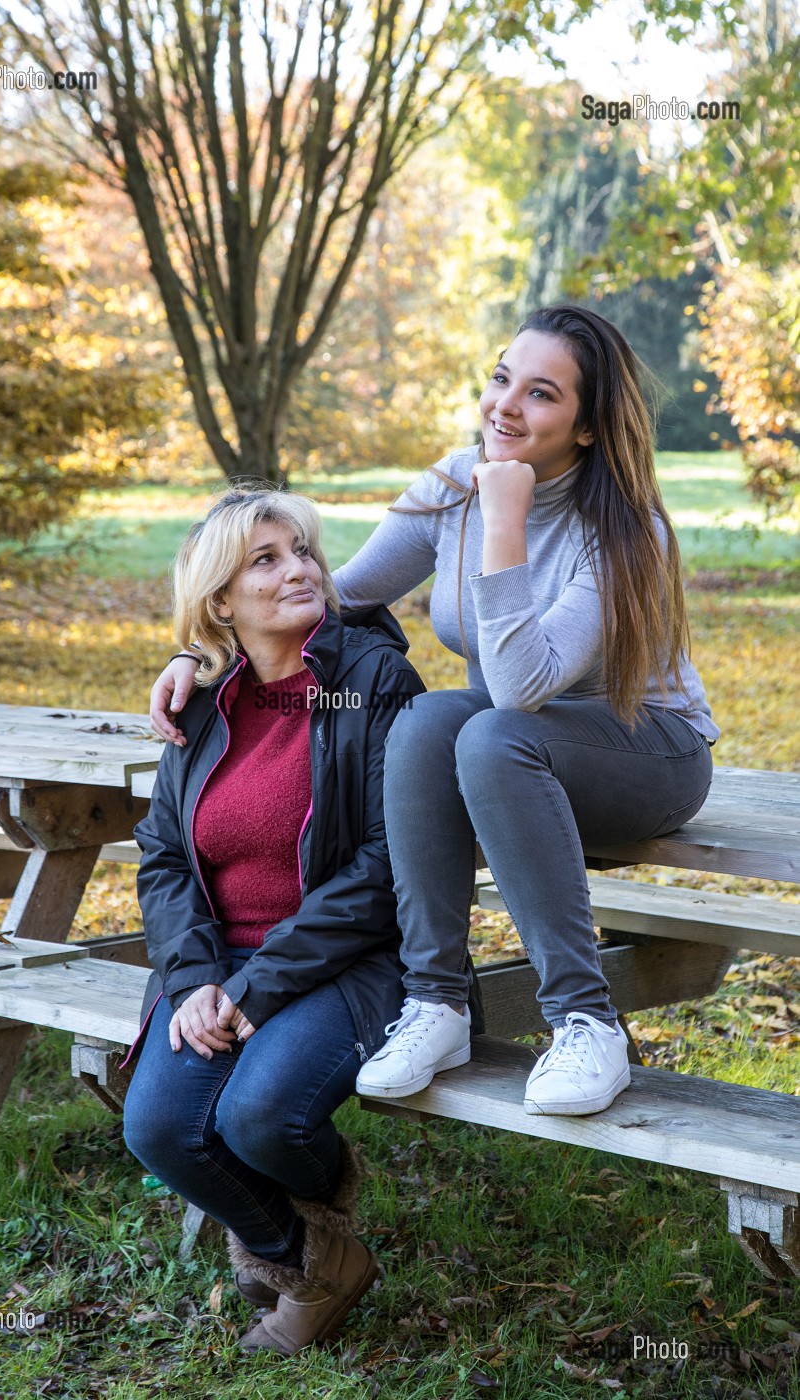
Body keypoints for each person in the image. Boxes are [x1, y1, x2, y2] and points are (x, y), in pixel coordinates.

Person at [149, 305, 719, 1121]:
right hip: (515, 747)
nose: (504, 407)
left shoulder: (629, 531)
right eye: (499, 379)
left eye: (540, 395)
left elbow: (524, 685)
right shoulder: (454, 483)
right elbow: (329, 596)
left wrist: (507, 519)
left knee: (488, 729)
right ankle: (436, 1004)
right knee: (425, 721)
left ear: (587, 427)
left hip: (646, 752)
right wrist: (198, 653)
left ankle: (584, 1021)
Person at [121, 487, 425, 1355]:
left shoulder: (367, 682)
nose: (299, 569)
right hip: (221, 960)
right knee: (158, 1130)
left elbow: (384, 861)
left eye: (302, 551)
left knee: (259, 1118)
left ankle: (299, 1276)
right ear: (220, 600)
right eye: (265, 559)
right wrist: (192, 980)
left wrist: (258, 983)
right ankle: (312, 1260)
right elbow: (166, 856)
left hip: (349, 960)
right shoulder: (205, 705)